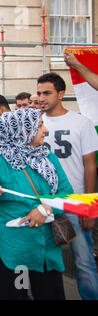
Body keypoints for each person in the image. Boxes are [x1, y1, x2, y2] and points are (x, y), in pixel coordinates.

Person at [0, 108, 74, 300]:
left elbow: (67, 194)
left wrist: (46, 209)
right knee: (16, 295)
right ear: (22, 130)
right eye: (39, 125)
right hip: (16, 252)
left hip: (46, 248)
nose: (46, 130)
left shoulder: (48, 157)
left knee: (50, 293)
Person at [37, 72, 98, 300]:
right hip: (41, 202)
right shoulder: (33, 122)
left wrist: (89, 206)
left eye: (47, 92)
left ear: (61, 94)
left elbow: (90, 165)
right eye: (39, 92)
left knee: (83, 260)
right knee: (41, 259)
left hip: (74, 202)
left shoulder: (81, 123)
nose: (41, 97)